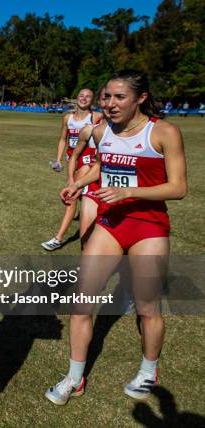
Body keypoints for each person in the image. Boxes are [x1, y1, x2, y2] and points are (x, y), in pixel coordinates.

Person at [45, 70, 187, 405]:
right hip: (110, 224)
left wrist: (128, 192)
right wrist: (78, 183)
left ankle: (148, 371)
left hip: (148, 226)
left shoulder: (163, 132)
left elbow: (179, 187)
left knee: (148, 307)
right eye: (106, 97)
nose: (110, 104)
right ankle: (74, 378)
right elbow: (103, 164)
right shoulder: (102, 130)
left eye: (119, 97)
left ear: (140, 98)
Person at [42, 89, 102, 251]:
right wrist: (58, 159)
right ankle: (88, 216)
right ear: (76, 99)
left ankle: (58, 238)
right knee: (82, 193)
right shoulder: (68, 118)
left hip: (87, 161)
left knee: (71, 195)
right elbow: (63, 139)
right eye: (81, 96)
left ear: (92, 100)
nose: (84, 98)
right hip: (72, 159)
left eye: (88, 96)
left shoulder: (96, 117)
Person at [65, 88, 107, 245]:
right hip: (91, 183)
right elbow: (76, 156)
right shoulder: (89, 129)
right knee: (87, 240)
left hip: (117, 191)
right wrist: (74, 184)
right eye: (105, 98)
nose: (109, 103)